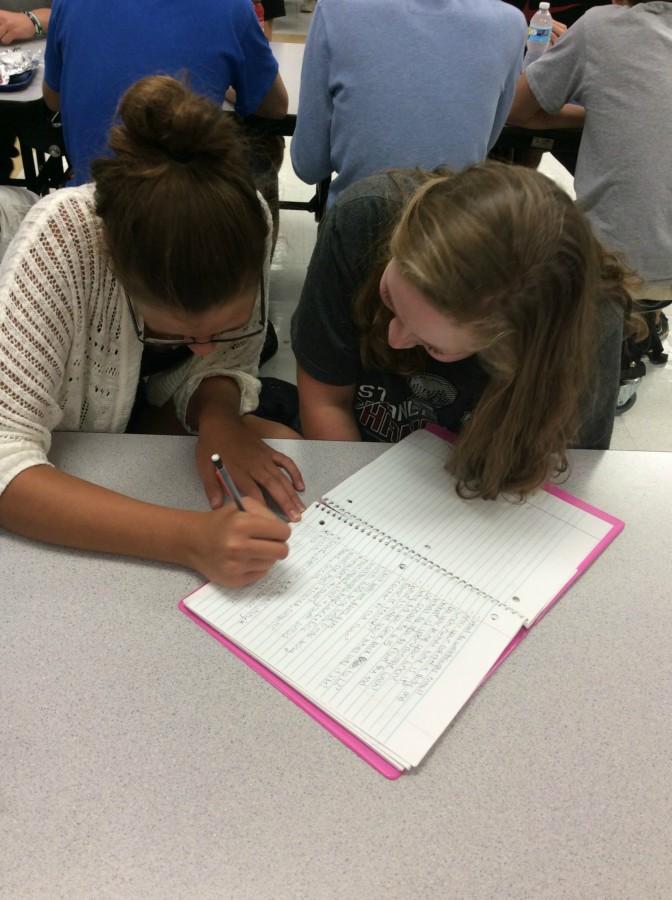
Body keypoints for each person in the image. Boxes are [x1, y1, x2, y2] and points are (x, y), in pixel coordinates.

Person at [0, 76, 305, 587]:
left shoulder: (246, 219)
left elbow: (229, 361)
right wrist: (187, 539)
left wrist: (220, 414)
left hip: (148, 420)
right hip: (73, 438)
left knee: (285, 446)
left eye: (224, 326)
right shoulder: (62, 242)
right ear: (120, 271)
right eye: (181, 333)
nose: (205, 346)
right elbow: (6, 457)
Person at [291, 163, 634, 500]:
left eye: (433, 347)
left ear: (511, 349)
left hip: (477, 506)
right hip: (363, 462)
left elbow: (562, 474)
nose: (394, 339)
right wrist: (354, 507)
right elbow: (326, 401)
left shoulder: (589, 321)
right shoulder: (362, 222)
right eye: (388, 298)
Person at [507, 0, 672, 406]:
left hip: (618, 268)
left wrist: (594, 108)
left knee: (524, 230)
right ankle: (640, 319)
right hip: (657, 266)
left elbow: (518, 110)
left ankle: (600, 345)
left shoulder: (600, 26)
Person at [290, 0, 527, 206]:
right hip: (451, 237)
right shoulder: (510, 24)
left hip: (358, 227)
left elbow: (309, 166)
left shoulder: (335, 10)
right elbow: (485, 143)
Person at [42, 0, 288, 184]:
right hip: (179, 217)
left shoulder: (68, 3)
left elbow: (54, 100)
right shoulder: (232, 8)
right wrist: (225, 81)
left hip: (88, 206)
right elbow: (275, 107)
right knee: (267, 142)